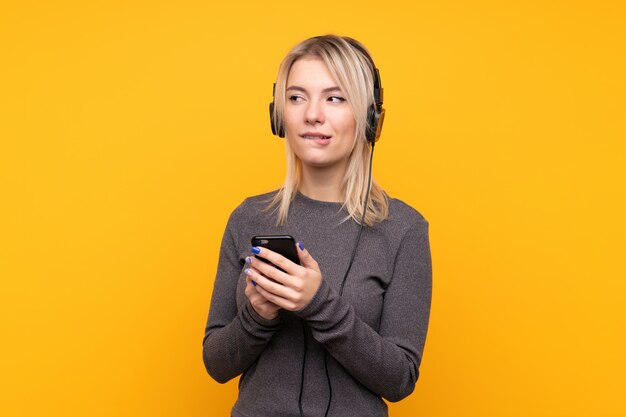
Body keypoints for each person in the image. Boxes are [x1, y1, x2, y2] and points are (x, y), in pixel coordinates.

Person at [202, 34, 432, 417]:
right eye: (296, 97)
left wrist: (319, 304)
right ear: (279, 116)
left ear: (370, 115)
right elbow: (216, 364)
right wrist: (258, 315)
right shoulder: (248, 217)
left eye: (335, 97)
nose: (312, 114)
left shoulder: (403, 229)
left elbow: (400, 379)